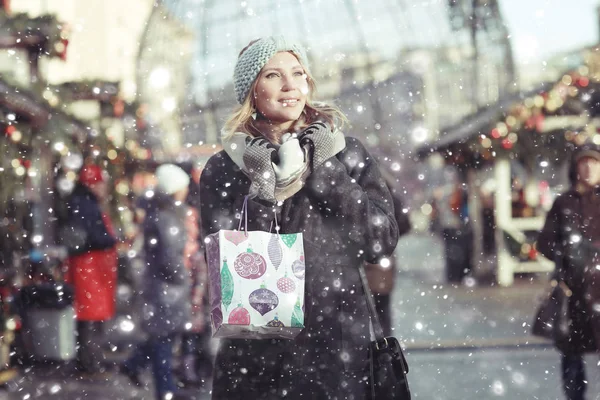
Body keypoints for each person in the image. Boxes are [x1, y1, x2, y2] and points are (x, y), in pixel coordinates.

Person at [199, 36, 399, 400]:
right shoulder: (225, 167)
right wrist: (263, 188)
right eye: (274, 75)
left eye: (298, 73)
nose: (290, 86)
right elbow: (224, 263)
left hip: (339, 353)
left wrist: (326, 172)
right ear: (251, 90)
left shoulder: (345, 153)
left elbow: (380, 239)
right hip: (257, 361)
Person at [120, 164, 192, 400]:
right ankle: (165, 390)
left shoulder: (161, 213)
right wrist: (184, 278)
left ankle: (135, 366)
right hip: (166, 288)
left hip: (159, 286)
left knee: (160, 337)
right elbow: (170, 258)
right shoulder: (167, 216)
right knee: (163, 339)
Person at [537, 145, 600, 400]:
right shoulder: (563, 202)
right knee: (572, 355)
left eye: (593, 163)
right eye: (583, 163)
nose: (588, 168)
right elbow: (545, 243)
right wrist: (567, 256)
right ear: (575, 168)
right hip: (572, 291)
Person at [64, 164, 117, 375]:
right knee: (90, 318)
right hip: (90, 270)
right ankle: (90, 363)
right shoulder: (86, 205)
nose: (104, 188)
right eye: (101, 183)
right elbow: (96, 237)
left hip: (89, 269)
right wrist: (112, 240)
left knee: (89, 317)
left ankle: (89, 361)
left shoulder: (81, 202)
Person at [364, 172, 411, 336]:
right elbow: (405, 224)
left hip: (360, 256)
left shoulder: (356, 193)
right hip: (383, 255)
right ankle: (383, 343)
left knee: (360, 305)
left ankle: (368, 345)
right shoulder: (390, 197)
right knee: (382, 304)